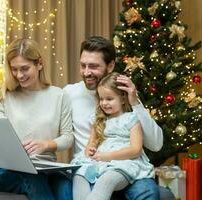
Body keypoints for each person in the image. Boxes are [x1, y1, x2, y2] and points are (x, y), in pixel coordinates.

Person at [0, 38, 74, 200]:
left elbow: (68, 137)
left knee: (65, 187)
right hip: (9, 170)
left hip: (47, 167)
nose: (19, 75)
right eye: (14, 69)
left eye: (24, 69)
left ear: (39, 64)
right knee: (33, 177)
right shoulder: (4, 97)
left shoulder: (59, 95)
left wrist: (46, 145)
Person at [64, 36, 175, 200]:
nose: (86, 72)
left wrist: (135, 102)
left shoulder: (125, 94)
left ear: (110, 65)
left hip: (125, 166)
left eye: (93, 66)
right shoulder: (69, 94)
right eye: (83, 65)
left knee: (150, 192)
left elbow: (156, 144)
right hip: (92, 165)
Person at [71, 72, 155, 200]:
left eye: (109, 99)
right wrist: (90, 150)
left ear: (122, 98)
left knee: (105, 181)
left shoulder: (131, 119)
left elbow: (135, 150)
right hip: (99, 160)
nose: (104, 103)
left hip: (123, 162)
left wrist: (107, 156)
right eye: (101, 99)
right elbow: (91, 145)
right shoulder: (99, 119)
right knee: (79, 175)